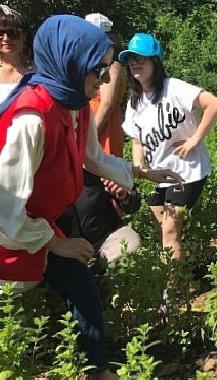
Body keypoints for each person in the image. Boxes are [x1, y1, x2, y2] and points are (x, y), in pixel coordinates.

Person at [0, 15, 181, 379]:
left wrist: (140, 173)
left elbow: (92, 157)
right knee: (10, 304)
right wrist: (56, 244)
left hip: (39, 226)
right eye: (97, 68)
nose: (105, 78)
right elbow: (4, 212)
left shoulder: (75, 103)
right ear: (70, 64)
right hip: (12, 232)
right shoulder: (31, 120)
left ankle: (96, 370)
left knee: (82, 287)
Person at [120, 33, 217, 260]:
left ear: (155, 62)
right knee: (166, 229)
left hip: (186, 172)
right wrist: (138, 164)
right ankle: (190, 265)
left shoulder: (173, 88)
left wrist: (195, 139)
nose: (135, 63)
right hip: (158, 174)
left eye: (141, 58)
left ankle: (172, 292)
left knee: (169, 231)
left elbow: (214, 104)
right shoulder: (134, 102)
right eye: (131, 59)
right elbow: (136, 139)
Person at [57, 170, 142, 263]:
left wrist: (124, 196)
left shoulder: (95, 166)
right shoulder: (42, 181)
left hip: (108, 236)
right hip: (64, 249)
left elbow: (133, 204)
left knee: (129, 246)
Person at [84, 13, 128, 157]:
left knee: (103, 174)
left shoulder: (113, 66)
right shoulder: (94, 64)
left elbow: (107, 104)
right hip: (92, 125)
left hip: (104, 128)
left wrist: (88, 139)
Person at [0, 5, 32, 103]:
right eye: (0, 33)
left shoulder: (37, 71)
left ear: (24, 36)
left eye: (12, 33)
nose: (6, 38)